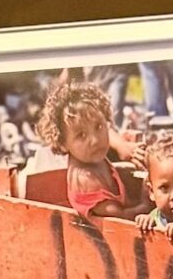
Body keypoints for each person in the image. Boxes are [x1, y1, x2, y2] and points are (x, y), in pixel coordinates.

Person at [33, 71, 130, 217]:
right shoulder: (85, 180)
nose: (95, 140)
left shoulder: (93, 158)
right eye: (81, 135)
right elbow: (120, 217)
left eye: (98, 127)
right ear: (63, 143)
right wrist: (145, 203)